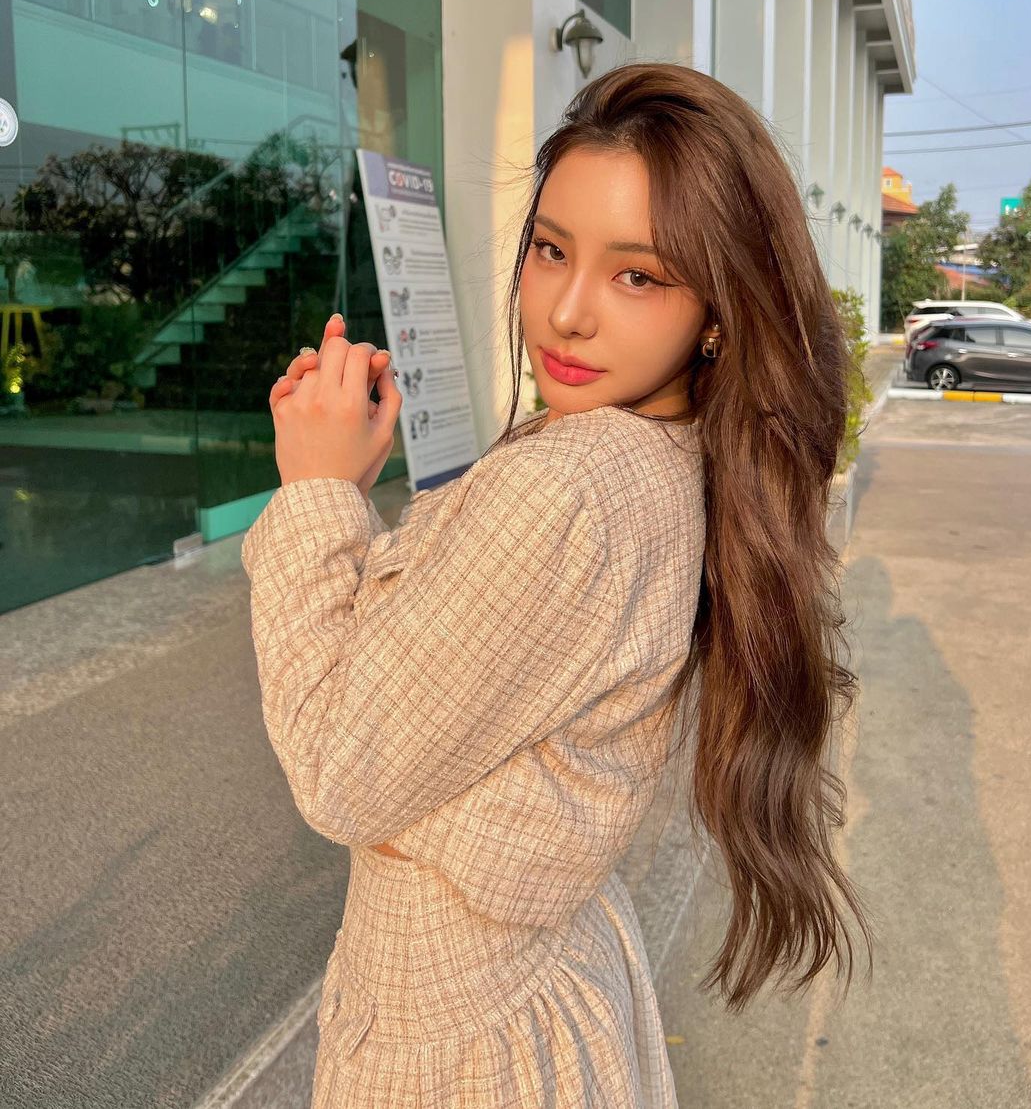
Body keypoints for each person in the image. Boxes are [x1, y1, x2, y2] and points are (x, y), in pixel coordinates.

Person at [241, 61, 874, 1107]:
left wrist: (315, 492)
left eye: (640, 276)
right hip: (537, 988)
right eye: (550, 250)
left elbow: (338, 768)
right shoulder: (671, 455)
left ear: (718, 311)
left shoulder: (572, 488)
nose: (568, 312)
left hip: (455, 1048)